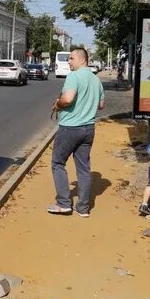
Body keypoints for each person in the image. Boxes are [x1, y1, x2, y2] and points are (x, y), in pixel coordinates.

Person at [48, 46, 105, 218]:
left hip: (70, 128)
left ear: (82, 59)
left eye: (71, 58)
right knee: (83, 168)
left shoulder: (74, 76)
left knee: (58, 163)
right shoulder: (96, 80)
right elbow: (101, 105)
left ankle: (64, 203)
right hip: (89, 129)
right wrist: (86, 106)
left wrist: (58, 104)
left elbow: (68, 99)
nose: (69, 61)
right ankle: (83, 208)